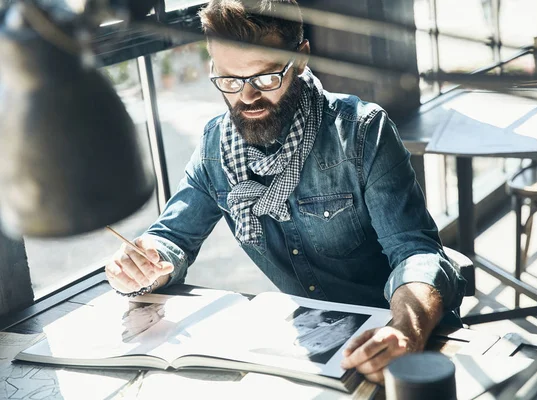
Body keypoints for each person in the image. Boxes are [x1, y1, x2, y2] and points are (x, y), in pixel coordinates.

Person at [105, 0, 466, 384]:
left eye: (265, 78)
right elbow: (171, 238)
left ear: (301, 58)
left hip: (400, 340)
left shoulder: (361, 132)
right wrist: (143, 264)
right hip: (306, 353)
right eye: (229, 80)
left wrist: (404, 330)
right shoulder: (216, 147)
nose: (246, 98)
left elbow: (415, 250)